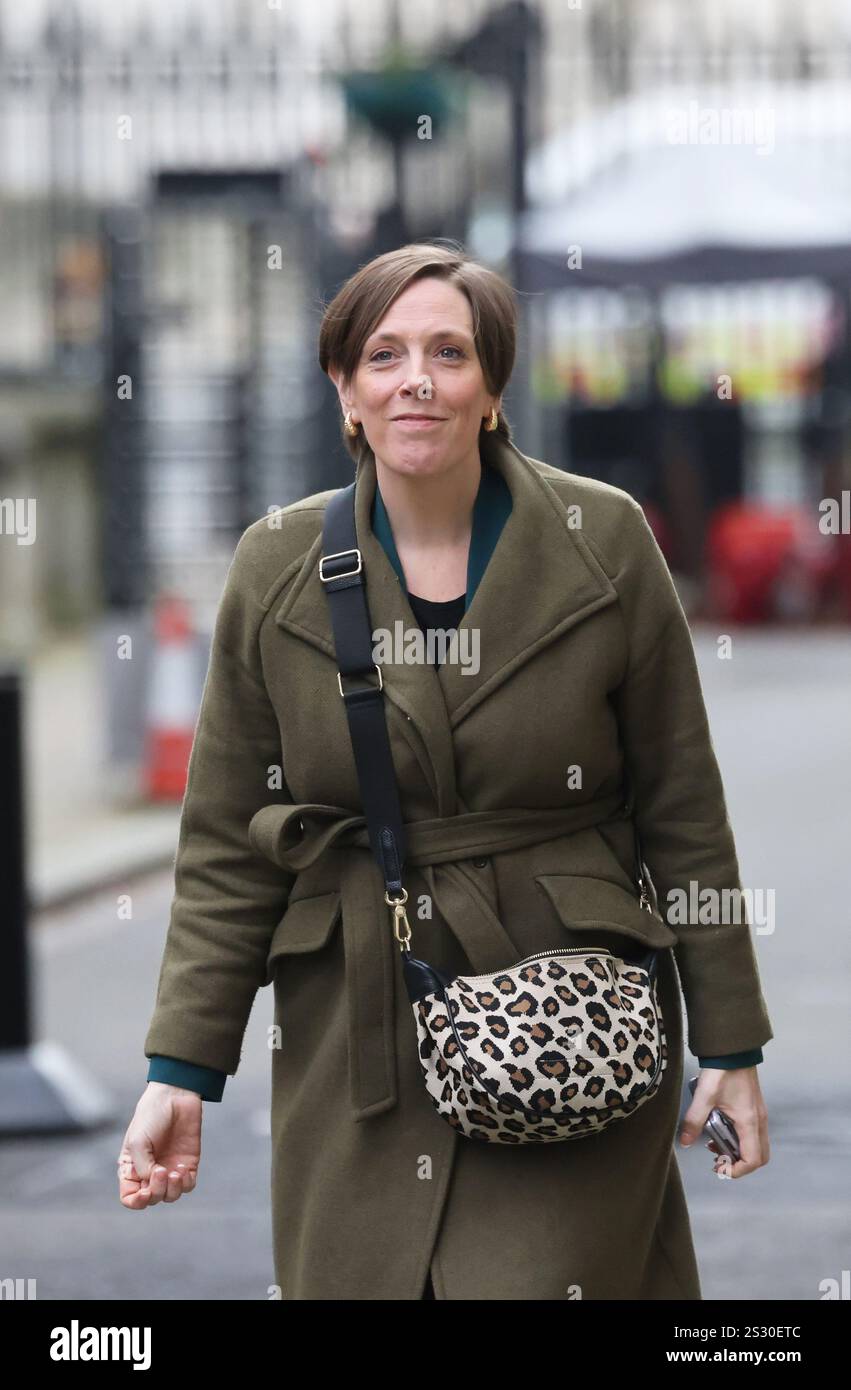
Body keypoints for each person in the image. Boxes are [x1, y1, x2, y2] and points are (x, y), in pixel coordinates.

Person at [119, 243, 772, 1300]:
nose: (414, 378)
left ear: (491, 386)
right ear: (343, 388)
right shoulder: (274, 564)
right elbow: (226, 847)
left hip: (564, 1015)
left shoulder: (600, 537)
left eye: (447, 351)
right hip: (353, 1037)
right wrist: (180, 1070)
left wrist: (730, 1042)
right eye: (382, 354)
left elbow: (680, 804)